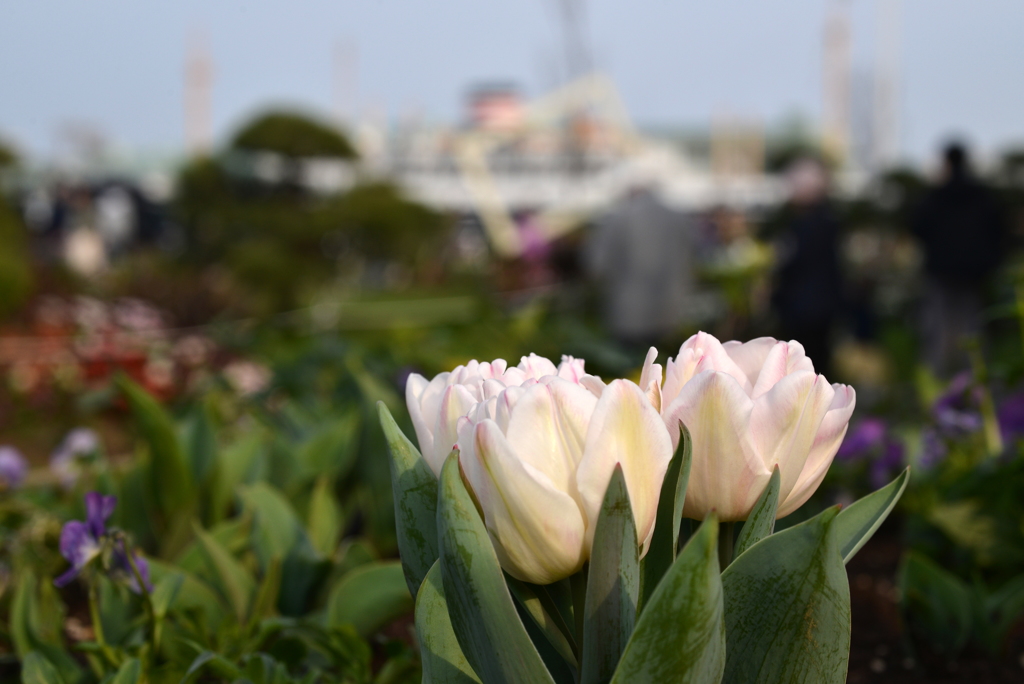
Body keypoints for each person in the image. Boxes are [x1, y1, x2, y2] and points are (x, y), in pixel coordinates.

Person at [913, 141, 1006, 376]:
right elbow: (997, 230)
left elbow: (918, 226)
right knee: (973, 329)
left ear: (946, 162)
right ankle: (976, 383)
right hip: (973, 273)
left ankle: (940, 386)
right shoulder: (980, 195)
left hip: (942, 271)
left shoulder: (937, 195)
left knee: (940, 331)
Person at [586, 183, 695, 349]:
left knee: (629, 364)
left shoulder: (618, 217)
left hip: (627, 310)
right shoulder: (677, 217)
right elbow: (696, 254)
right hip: (669, 308)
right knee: (665, 362)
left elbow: (596, 264)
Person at [771, 157, 843, 376]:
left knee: (802, 368)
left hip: (802, 308)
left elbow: (791, 264)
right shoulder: (830, 221)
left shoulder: (802, 226)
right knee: (818, 366)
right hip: (822, 306)